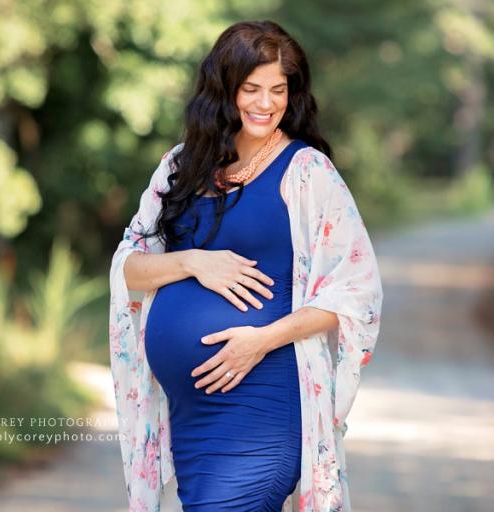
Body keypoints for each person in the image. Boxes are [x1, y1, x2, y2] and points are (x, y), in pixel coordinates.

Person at [108, 20, 383, 512]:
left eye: (278, 89)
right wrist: (193, 262)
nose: (265, 103)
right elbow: (128, 267)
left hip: (263, 405)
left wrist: (260, 340)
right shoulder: (180, 166)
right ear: (223, 90)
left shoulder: (307, 173)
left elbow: (356, 293)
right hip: (192, 421)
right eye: (251, 88)